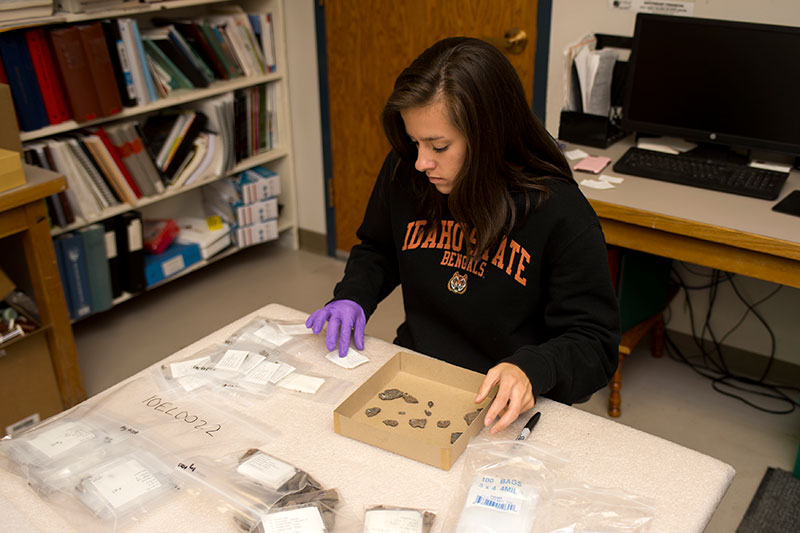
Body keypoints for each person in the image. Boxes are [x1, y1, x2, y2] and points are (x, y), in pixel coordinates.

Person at [306, 37, 620, 434]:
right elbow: (380, 249)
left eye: (438, 145)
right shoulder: (410, 169)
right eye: (414, 141)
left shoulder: (558, 211)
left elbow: (595, 343)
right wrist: (353, 294)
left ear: (490, 137)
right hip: (418, 374)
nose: (422, 161)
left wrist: (533, 369)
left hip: (507, 405)